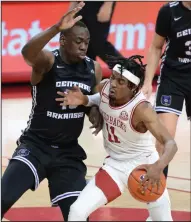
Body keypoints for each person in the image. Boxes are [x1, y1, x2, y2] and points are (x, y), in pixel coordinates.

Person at [1, 2, 103, 221]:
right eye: (78, 41)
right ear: (63, 41)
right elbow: (27, 53)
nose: (84, 46)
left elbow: (92, 108)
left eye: (86, 42)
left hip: (68, 153)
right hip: (36, 146)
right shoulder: (48, 61)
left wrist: (95, 112)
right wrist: (57, 26)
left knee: (78, 215)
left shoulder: (92, 68)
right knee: (2, 198)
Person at [56, 55, 178, 221]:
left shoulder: (142, 109)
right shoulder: (106, 87)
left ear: (133, 88)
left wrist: (158, 167)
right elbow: (98, 98)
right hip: (115, 166)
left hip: (144, 166)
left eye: (120, 82)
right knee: (77, 211)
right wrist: (85, 100)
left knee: (163, 220)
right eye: (113, 77)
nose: (113, 83)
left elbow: (171, 143)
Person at [142, 1, 191, 180]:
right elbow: (156, 47)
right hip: (173, 78)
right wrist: (148, 82)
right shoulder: (169, 11)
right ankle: (158, 193)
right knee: (164, 139)